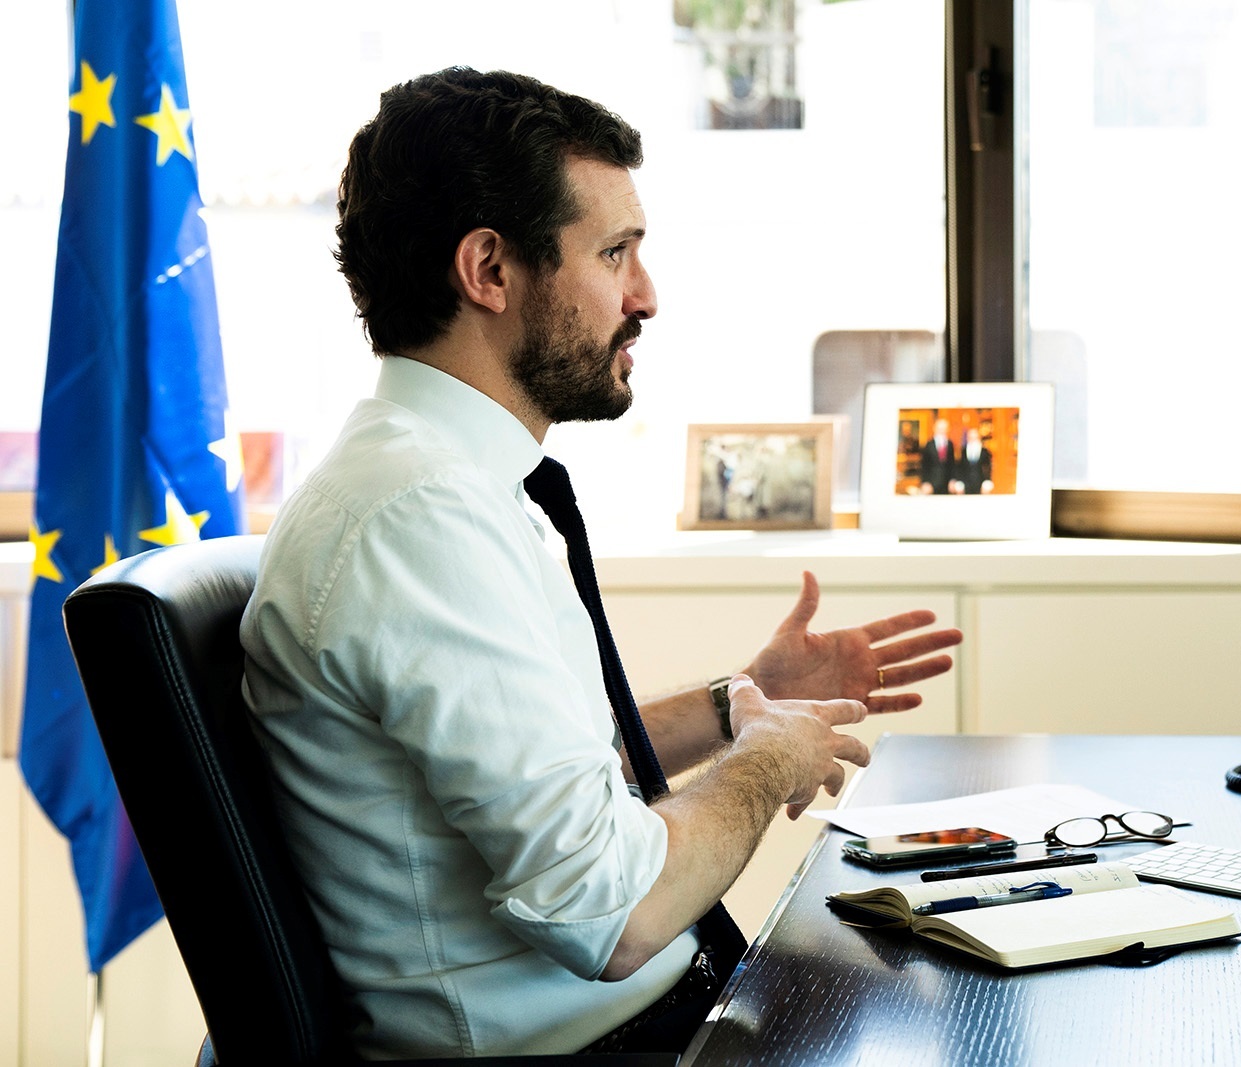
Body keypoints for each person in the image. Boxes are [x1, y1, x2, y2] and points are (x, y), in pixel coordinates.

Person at [239, 68, 963, 1059]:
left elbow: (546, 778)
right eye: (614, 252)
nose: (646, 296)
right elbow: (610, 909)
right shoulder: (419, 519)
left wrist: (740, 697)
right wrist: (766, 758)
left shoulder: (435, 485)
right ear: (490, 270)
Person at [917, 416, 956, 494]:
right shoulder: (928, 445)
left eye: (944, 428)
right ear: (934, 428)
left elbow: (952, 465)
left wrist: (953, 480)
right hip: (931, 483)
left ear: (948, 429)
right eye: (939, 428)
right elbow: (924, 465)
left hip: (947, 484)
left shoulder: (950, 444)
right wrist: (925, 482)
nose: (942, 430)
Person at [957, 427, 994, 495]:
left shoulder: (985, 452)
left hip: (981, 486)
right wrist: (959, 484)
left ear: (979, 438)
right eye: (971, 438)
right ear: (967, 438)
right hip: (966, 486)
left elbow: (988, 469)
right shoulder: (963, 452)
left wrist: (987, 483)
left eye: (975, 438)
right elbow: (960, 468)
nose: (973, 440)